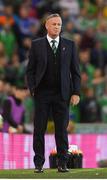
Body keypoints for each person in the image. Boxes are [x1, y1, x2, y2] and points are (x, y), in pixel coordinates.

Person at [26, 13, 81, 173]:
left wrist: (76, 92)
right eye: (54, 24)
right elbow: (30, 71)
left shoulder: (70, 45)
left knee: (61, 130)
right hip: (42, 94)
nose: (57, 27)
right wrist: (33, 88)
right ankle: (38, 163)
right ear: (47, 26)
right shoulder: (36, 45)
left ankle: (62, 163)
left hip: (62, 94)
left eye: (59, 24)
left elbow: (75, 72)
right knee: (39, 129)